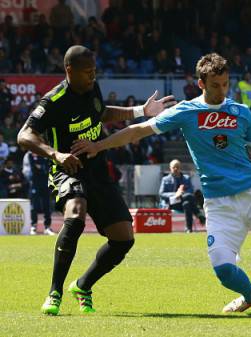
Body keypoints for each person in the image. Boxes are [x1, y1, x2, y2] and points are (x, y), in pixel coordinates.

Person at [72, 53, 251, 313]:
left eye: (226, 84)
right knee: (223, 270)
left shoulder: (242, 112)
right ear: (201, 83)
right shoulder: (186, 111)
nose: (222, 90)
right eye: (215, 85)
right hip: (218, 203)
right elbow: (139, 130)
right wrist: (99, 145)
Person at [17, 45, 176, 316]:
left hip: (98, 170)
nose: (93, 76)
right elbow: (24, 136)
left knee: (124, 238)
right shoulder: (53, 101)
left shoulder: (92, 88)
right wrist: (56, 154)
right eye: (87, 72)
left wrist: (140, 110)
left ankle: (82, 286)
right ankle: (54, 292)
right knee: (76, 214)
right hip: (67, 169)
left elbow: (101, 112)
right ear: (69, 70)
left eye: (94, 71)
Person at [159, 159, 205, 233]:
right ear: (170, 168)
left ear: (180, 168)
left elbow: (190, 191)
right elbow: (161, 194)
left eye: (177, 167)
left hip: (182, 203)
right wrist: (175, 194)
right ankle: (199, 214)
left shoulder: (186, 178)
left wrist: (181, 193)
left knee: (186, 203)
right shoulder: (165, 179)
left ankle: (188, 229)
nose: (175, 169)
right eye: (174, 167)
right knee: (188, 197)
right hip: (171, 203)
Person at [26, 151, 54, 235]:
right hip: (35, 183)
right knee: (34, 206)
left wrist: (41, 168)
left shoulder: (46, 155)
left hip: (45, 184)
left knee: (47, 206)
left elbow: (47, 169)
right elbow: (33, 168)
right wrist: (41, 168)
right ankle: (33, 226)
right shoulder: (30, 155)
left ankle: (47, 227)